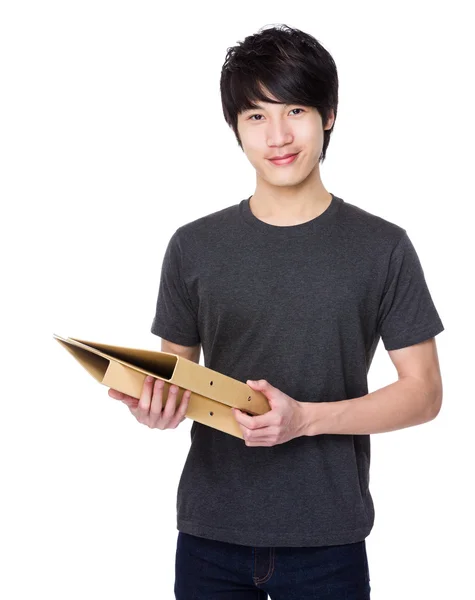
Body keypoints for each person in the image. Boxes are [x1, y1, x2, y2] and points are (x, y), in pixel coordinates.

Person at [109, 23, 444, 599]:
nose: (278, 135)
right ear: (235, 128)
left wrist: (306, 419)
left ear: (329, 115)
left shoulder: (382, 247)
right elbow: (178, 380)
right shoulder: (193, 245)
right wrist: (156, 408)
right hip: (209, 533)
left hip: (328, 540)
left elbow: (425, 393)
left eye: (295, 109)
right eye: (256, 116)